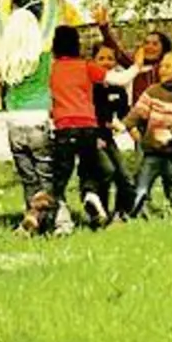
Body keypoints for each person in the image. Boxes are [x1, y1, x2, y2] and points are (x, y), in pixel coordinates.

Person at [0, 0, 72, 233]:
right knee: (47, 179)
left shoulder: (6, 47)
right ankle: (56, 224)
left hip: (14, 124)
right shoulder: (43, 48)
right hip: (39, 120)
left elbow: (3, 13)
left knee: (29, 179)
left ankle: (32, 223)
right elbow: (51, 10)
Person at [36, 26, 116, 231]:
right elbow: (117, 79)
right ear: (77, 44)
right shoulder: (86, 66)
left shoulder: (51, 69)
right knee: (89, 170)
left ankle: (61, 221)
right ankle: (90, 194)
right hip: (88, 127)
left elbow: (45, 97)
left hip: (64, 127)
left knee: (60, 177)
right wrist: (136, 68)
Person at [125, 51, 172, 216]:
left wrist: (170, 134)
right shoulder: (153, 92)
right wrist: (138, 136)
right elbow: (135, 116)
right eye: (161, 66)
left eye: (168, 66)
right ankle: (134, 216)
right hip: (154, 153)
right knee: (141, 188)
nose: (162, 70)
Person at [93, 0, 172, 104]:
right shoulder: (135, 66)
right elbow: (116, 51)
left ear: (163, 48)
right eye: (146, 43)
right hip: (138, 114)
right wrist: (103, 27)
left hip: (162, 112)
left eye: (155, 44)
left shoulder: (165, 66)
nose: (149, 47)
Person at [92, 41, 139, 220]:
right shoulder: (90, 86)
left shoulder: (117, 88)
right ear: (93, 61)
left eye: (110, 58)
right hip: (92, 137)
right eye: (101, 58)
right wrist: (98, 131)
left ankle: (122, 213)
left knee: (125, 176)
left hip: (107, 138)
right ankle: (100, 213)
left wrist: (131, 129)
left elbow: (124, 114)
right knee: (106, 171)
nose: (106, 62)